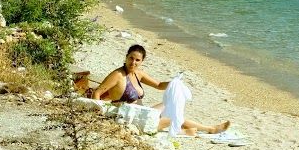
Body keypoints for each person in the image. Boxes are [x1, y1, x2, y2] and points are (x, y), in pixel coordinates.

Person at [91, 44, 231, 135]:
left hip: (143, 114)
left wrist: (174, 83)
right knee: (173, 116)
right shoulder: (118, 75)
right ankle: (209, 129)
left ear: (142, 61)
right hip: (129, 119)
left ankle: (188, 131)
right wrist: (97, 115)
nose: (133, 62)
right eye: (131, 58)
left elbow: (158, 85)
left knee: (169, 105)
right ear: (126, 57)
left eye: (137, 60)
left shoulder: (138, 73)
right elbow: (97, 92)